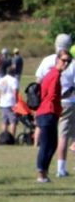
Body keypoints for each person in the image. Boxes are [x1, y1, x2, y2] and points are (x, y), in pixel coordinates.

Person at [35, 49, 70, 183]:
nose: (65, 64)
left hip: (47, 111)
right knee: (47, 144)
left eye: (68, 61)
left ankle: (44, 172)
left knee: (51, 144)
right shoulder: (55, 75)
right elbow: (51, 95)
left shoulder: (53, 74)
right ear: (57, 60)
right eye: (63, 60)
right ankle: (41, 173)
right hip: (48, 112)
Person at [0, 67, 19, 143]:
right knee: (13, 121)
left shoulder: (2, 79)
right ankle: (12, 138)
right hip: (11, 102)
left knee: (4, 121)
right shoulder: (14, 80)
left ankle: (4, 138)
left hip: (3, 102)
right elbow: (15, 91)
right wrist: (16, 102)